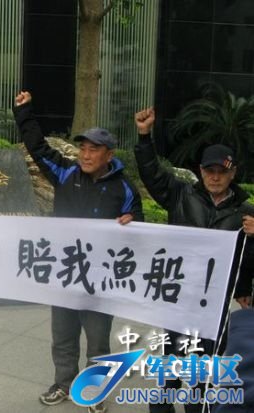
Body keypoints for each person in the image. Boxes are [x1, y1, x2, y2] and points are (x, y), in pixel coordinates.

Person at [14, 91, 144, 413]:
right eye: (83, 148)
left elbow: (138, 227)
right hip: (65, 273)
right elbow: (38, 148)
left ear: (109, 154)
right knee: (63, 334)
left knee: (98, 340)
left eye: (93, 150)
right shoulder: (65, 173)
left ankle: (94, 391)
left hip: (100, 281)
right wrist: (24, 112)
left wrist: (132, 221)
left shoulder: (124, 188)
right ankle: (63, 383)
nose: (85, 155)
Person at [134, 107, 254, 413]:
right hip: (179, 299)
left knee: (204, 373)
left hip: (215, 305)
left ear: (233, 173)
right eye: (209, 170)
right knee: (171, 368)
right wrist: (145, 136)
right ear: (200, 171)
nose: (215, 177)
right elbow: (152, 174)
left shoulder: (246, 213)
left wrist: (244, 285)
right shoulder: (180, 195)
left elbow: (247, 256)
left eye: (222, 171)